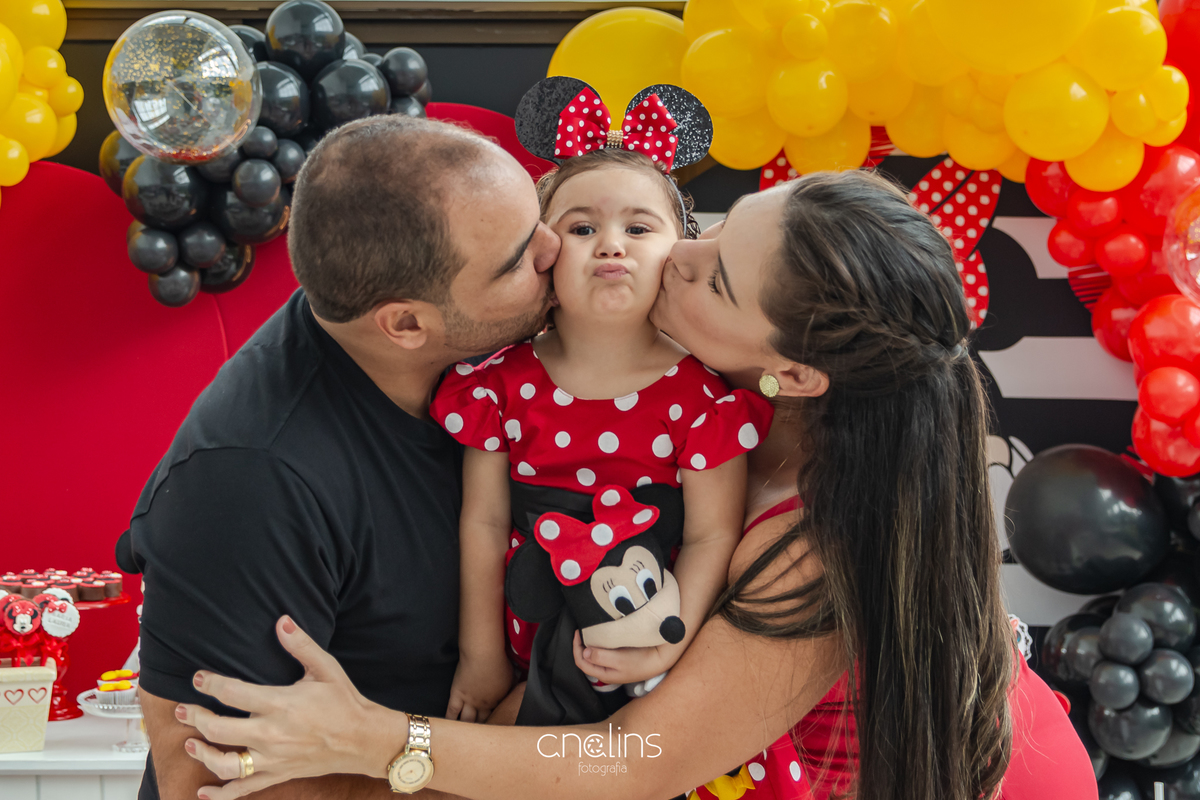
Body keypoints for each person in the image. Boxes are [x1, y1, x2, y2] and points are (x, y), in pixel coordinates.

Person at [172, 170, 1098, 800]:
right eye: (716, 226)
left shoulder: (815, 542)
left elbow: (639, 760)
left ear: (799, 370)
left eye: (720, 282)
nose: (678, 258)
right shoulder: (720, 400)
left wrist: (373, 740)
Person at [122, 114, 560, 800]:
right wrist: (517, 758)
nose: (555, 248)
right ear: (407, 323)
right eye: (516, 260)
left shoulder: (500, 357)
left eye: (539, 214)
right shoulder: (253, 476)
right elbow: (204, 784)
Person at [435, 145, 773, 725]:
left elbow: (711, 536)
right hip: (526, 620)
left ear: (677, 252)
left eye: (638, 227)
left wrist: (666, 638)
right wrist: (480, 656)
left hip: (639, 638)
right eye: (583, 227)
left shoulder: (701, 402)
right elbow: (485, 522)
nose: (611, 244)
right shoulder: (499, 385)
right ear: (543, 254)